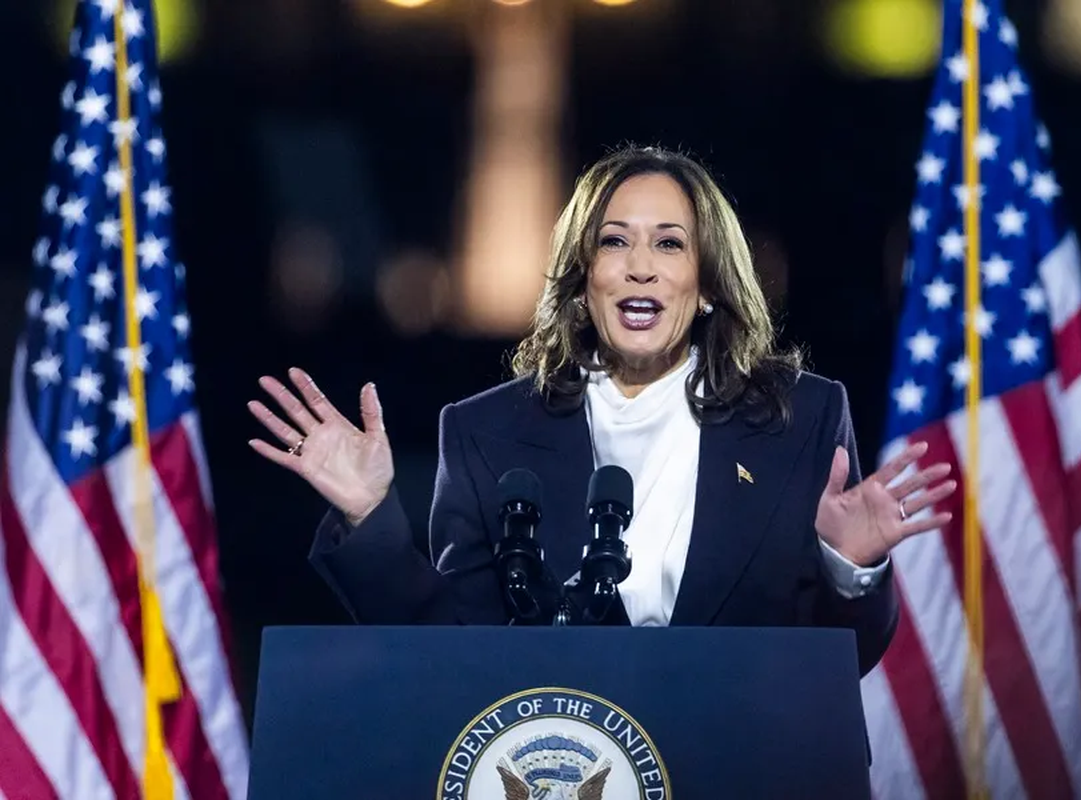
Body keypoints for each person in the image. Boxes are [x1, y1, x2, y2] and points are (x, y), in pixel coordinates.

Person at [248, 145, 955, 675]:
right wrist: (369, 519)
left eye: (669, 243)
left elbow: (839, 666)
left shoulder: (799, 417)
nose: (640, 265)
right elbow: (454, 655)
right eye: (614, 241)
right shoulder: (486, 430)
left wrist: (848, 567)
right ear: (584, 280)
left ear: (706, 285)